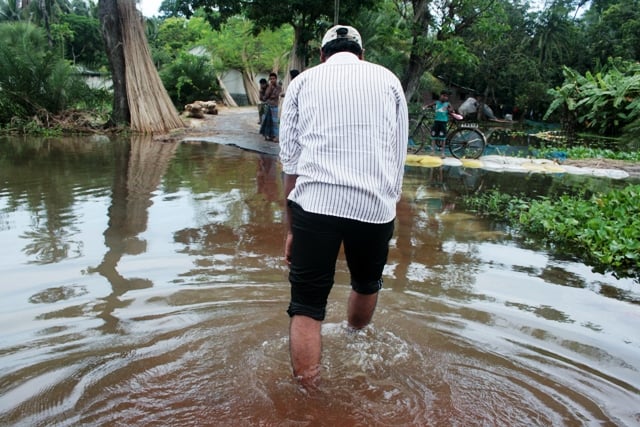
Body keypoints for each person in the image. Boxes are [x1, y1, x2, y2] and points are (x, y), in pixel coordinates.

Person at [279, 24, 408, 389]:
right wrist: (387, 207)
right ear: (361, 53)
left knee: (306, 304)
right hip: (374, 206)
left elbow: (290, 161)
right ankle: (354, 336)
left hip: (315, 202)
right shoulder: (388, 80)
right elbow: (398, 154)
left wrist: (291, 228)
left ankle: (308, 394)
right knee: (367, 282)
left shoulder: (303, 83)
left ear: (323, 55)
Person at [426, 90, 454, 157]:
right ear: (440, 95)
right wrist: (425, 107)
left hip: (443, 122)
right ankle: (432, 151)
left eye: (446, 96)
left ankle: (442, 153)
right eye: (443, 95)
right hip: (436, 121)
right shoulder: (436, 102)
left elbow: (452, 109)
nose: (445, 97)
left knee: (443, 138)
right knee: (433, 136)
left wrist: (450, 110)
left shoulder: (448, 104)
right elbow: (429, 105)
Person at [259, 72, 281, 142]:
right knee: (267, 121)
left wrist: (268, 96)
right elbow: (264, 97)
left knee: (274, 122)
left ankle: (275, 137)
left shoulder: (278, 87)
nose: (272, 80)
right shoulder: (268, 87)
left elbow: (274, 96)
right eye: (271, 79)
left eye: (273, 78)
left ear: (276, 79)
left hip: (274, 106)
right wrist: (266, 92)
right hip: (268, 105)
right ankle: (268, 135)